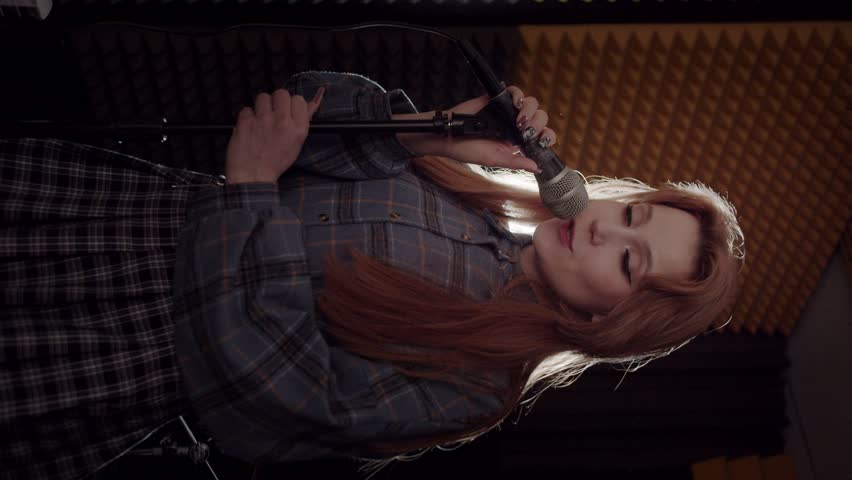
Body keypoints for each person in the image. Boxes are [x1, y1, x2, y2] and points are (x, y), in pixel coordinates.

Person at [0, 70, 744, 480]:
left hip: (110, 343)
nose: (604, 226)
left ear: (608, 322)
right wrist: (437, 127)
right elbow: (300, 109)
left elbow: (282, 391)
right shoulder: (470, 189)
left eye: (627, 257)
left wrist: (253, 191)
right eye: (633, 214)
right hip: (117, 210)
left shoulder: (479, 385)